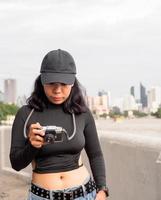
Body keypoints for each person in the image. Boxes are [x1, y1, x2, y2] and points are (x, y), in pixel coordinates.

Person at [9, 49, 109, 200]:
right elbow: (16, 164)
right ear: (41, 81)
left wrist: (102, 189)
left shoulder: (82, 113)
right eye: (51, 83)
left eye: (63, 84)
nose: (57, 90)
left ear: (72, 83)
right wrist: (32, 146)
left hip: (84, 194)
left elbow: (95, 155)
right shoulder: (25, 114)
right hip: (42, 196)